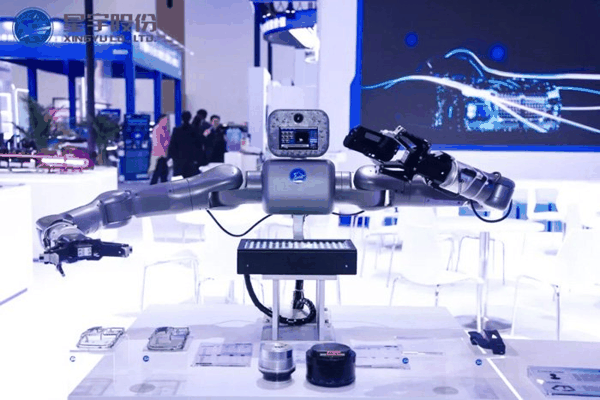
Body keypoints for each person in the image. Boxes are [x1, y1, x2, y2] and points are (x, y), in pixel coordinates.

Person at [168, 111, 203, 179]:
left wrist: (171, 157)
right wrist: (198, 159)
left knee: (178, 180)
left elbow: (172, 145)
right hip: (191, 160)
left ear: (182, 118)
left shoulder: (177, 130)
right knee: (191, 180)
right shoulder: (194, 130)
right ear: (190, 118)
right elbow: (198, 146)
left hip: (179, 160)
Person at [149, 114, 171, 185]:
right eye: (165, 120)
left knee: (162, 172)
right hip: (159, 155)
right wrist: (162, 153)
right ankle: (155, 185)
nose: (166, 121)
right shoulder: (157, 129)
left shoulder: (164, 129)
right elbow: (157, 142)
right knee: (159, 172)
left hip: (163, 154)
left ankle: (161, 184)